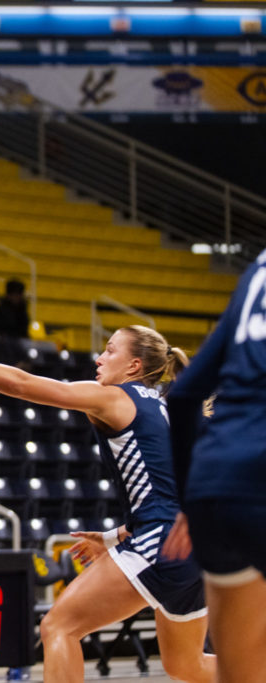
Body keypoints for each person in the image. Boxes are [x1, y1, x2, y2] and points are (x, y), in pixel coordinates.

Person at [0, 321, 216, 683]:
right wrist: (115, 537)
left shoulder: (115, 397)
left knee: (59, 627)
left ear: (134, 366)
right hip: (193, 547)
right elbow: (173, 496)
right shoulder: (168, 411)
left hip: (160, 543)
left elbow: (22, 383)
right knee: (186, 665)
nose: (99, 358)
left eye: (110, 350)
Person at [162, 249, 266, 683]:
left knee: (239, 672)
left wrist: (188, 503)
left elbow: (184, 394)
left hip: (215, 487)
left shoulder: (256, 272)